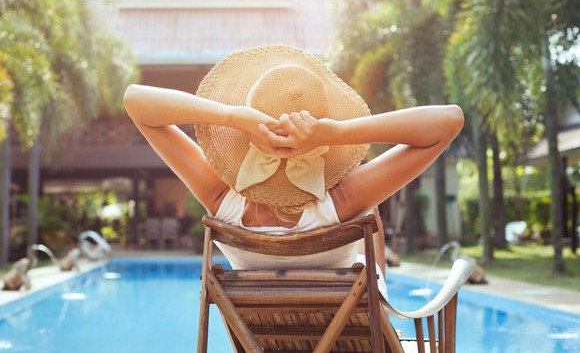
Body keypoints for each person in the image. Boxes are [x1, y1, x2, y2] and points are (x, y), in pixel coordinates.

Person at [123, 45, 464, 294]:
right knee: (369, 223)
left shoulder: (221, 200)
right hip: (350, 328)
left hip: (259, 337)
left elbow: (135, 100)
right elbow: (449, 121)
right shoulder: (343, 201)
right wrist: (337, 132)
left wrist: (233, 116)